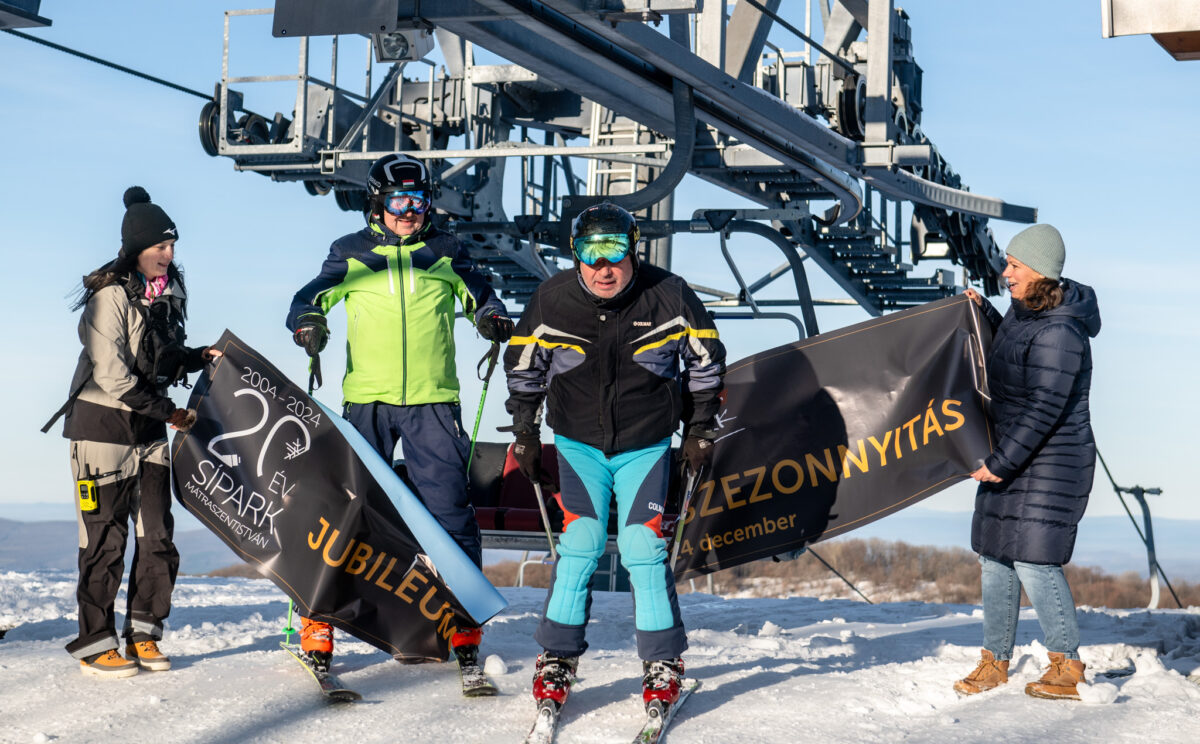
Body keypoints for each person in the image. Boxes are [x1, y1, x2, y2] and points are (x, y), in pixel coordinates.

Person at [285, 153, 513, 672]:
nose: (410, 210)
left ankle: (462, 625)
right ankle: (317, 623)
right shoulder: (352, 253)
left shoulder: (444, 250)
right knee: (343, 510)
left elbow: (482, 295)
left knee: (450, 514)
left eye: (419, 200)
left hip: (433, 402)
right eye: (399, 201)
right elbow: (307, 300)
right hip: (367, 401)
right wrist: (308, 327)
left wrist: (491, 317)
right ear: (377, 202)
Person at [502, 202, 726, 711]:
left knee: (642, 549)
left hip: (644, 445)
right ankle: (557, 656)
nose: (604, 268)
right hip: (580, 443)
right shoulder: (553, 299)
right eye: (590, 253)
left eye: (616, 253)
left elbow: (707, 362)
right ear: (575, 254)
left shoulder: (669, 294)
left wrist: (700, 430)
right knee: (579, 542)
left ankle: (663, 661)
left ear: (634, 248)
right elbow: (523, 366)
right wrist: (525, 433)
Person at [55, 186, 221, 677]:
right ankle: (95, 643)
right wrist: (168, 412)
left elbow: (166, 359)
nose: (168, 256)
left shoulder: (168, 297)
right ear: (136, 248)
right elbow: (112, 373)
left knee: (156, 536)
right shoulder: (109, 297)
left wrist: (199, 357)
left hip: (149, 429)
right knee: (103, 539)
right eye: (160, 247)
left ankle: (144, 635)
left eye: (172, 247)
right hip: (101, 429)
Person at [956, 223, 1100, 701]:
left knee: (1035, 560)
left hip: (1052, 460)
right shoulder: (1026, 314)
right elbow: (1014, 357)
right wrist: (987, 315)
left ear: (1040, 271)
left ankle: (1068, 664)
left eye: (1015, 265)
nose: (1006, 272)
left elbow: (1044, 407)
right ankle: (994, 661)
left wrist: (1000, 462)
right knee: (995, 556)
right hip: (1018, 452)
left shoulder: (1063, 331)